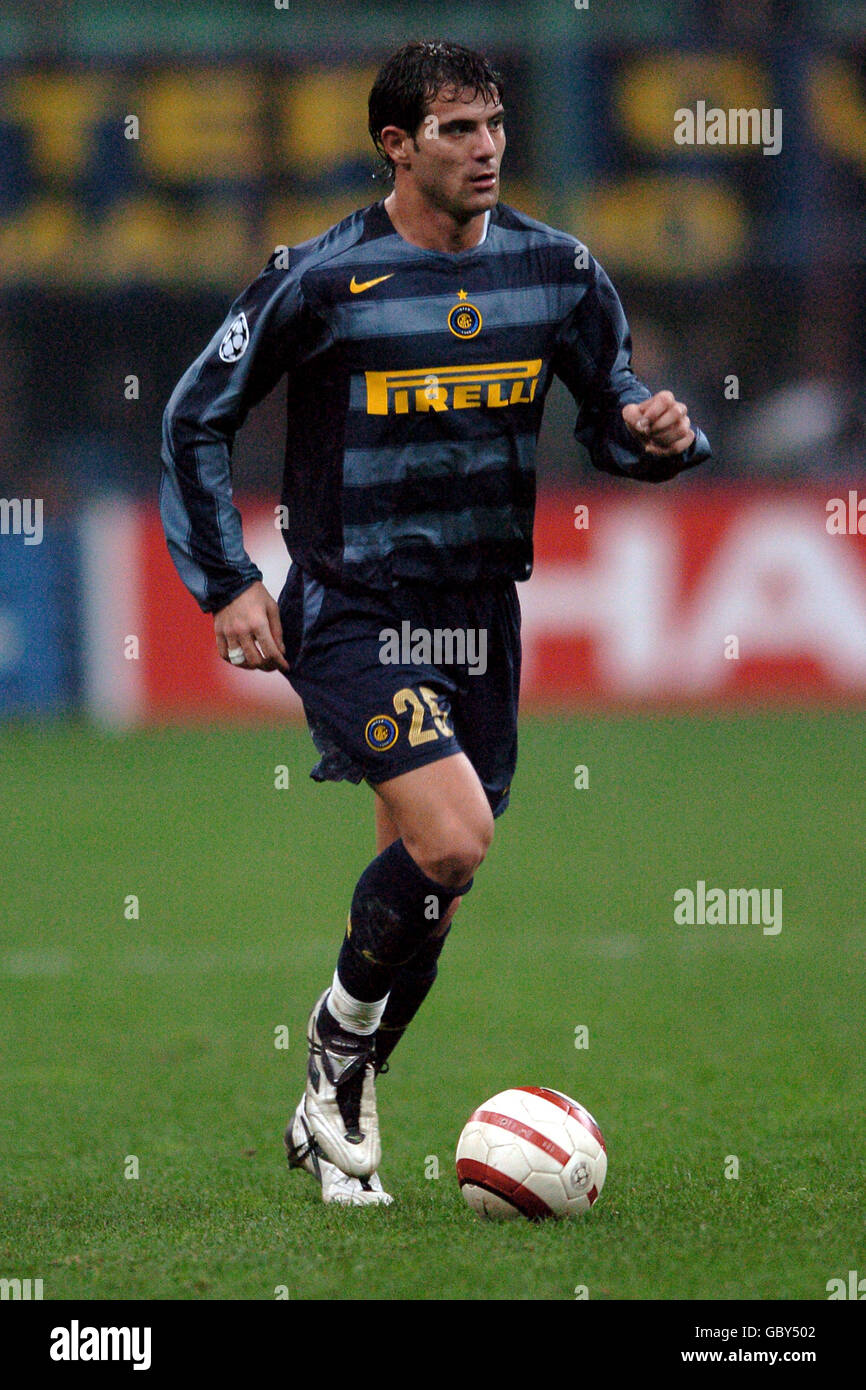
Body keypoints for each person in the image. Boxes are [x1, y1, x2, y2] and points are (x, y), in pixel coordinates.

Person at [160, 40, 711, 1207]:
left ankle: (337, 1108)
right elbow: (193, 417)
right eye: (457, 130)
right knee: (454, 836)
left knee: (429, 882)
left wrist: (657, 438)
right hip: (355, 606)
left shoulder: (556, 270)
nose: (487, 148)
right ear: (396, 146)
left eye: (495, 124)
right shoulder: (320, 279)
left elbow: (608, 412)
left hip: (478, 612)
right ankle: (334, 1057)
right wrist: (226, 579)